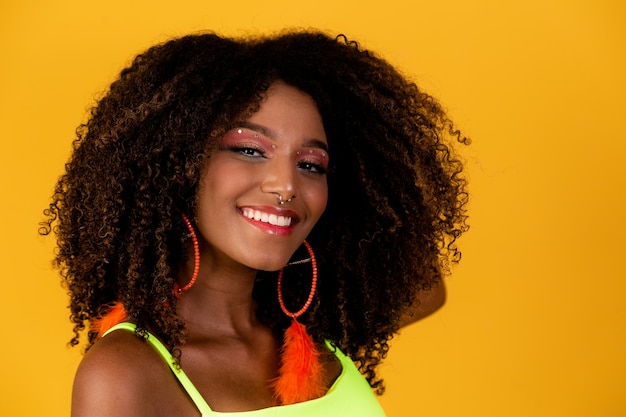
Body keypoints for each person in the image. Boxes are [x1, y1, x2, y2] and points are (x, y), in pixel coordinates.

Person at [41, 30, 469, 416]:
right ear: (175, 167)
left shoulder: (315, 323)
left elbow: (420, 282)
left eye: (310, 164)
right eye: (249, 150)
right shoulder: (128, 371)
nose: (286, 185)